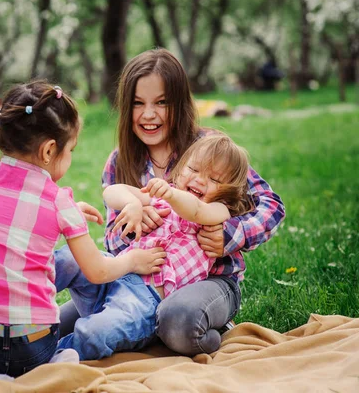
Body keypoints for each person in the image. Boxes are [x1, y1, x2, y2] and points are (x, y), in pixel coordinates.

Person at [0, 81, 166, 381]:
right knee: (26, 346)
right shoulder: (57, 201)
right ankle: (49, 361)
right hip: (34, 345)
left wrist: (68, 213)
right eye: (71, 150)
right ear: (49, 150)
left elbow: (10, 219)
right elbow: (97, 272)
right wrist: (133, 260)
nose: (71, 156)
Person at [57, 48, 285, 356]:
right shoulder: (121, 161)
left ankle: (196, 326)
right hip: (132, 281)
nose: (148, 114)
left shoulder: (209, 149)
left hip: (207, 281)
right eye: (138, 103)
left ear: (179, 103)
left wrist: (230, 234)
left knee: (178, 321)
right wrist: (134, 219)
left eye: (161, 103)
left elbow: (270, 205)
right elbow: (112, 239)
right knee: (58, 323)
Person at [57, 134, 256, 360]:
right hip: (115, 272)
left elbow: (195, 210)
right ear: (180, 170)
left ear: (228, 195)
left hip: (143, 302)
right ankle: (18, 293)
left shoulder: (217, 212)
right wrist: (133, 203)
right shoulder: (161, 198)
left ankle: (54, 357)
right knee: (68, 259)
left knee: (95, 331)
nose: (200, 180)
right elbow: (111, 192)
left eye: (214, 179)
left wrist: (172, 194)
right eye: (193, 169)